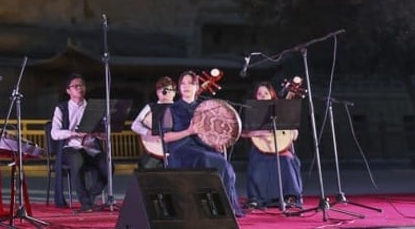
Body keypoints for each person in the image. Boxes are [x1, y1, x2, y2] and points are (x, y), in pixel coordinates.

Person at [161, 70, 244, 217]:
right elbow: (166, 137)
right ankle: (207, 207)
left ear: (196, 86)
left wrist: (216, 143)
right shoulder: (171, 109)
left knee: (225, 165)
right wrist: (189, 131)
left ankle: (223, 207)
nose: (186, 86)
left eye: (190, 83)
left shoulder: (205, 107)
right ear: (179, 88)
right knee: (205, 159)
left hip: (203, 147)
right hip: (181, 149)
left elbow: (210, 132)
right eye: (183, 83)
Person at [50, 73, 109, 211]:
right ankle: (86, 203)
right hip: (70, 147)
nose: (79, 88)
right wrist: (73, 133)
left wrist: (98, 133)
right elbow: (54, 133)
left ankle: (90, 194)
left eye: (81, 85)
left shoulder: (93, 107)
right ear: (68, 91)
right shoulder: (61, 108)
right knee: (77, 160)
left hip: (90, 148)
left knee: (108, 166)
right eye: (75, 86)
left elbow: (105, 135)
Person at [244, 81, 304, 210]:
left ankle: (290, 197)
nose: (263, 96)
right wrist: (258, 133)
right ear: (256, 96)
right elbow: (243, 133)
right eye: (259, 94)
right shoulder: (252, 110)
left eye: (266, 93)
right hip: (260, 149)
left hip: (281, 149)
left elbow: (294, 135)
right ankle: (256, 199)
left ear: (272, 94)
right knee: (257, 162)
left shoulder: (283, 109)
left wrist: (293, 132)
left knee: (287, 161)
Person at [130, 76, 176, 169]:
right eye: (162, 90)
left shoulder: (178, 108)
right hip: (153, 149)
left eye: (168, 90)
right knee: (146, 171)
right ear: (157, 92)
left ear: (174, 92)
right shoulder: (150, 107)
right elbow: (135, 125)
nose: (165, 93)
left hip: (174, 151)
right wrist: (147, 132)